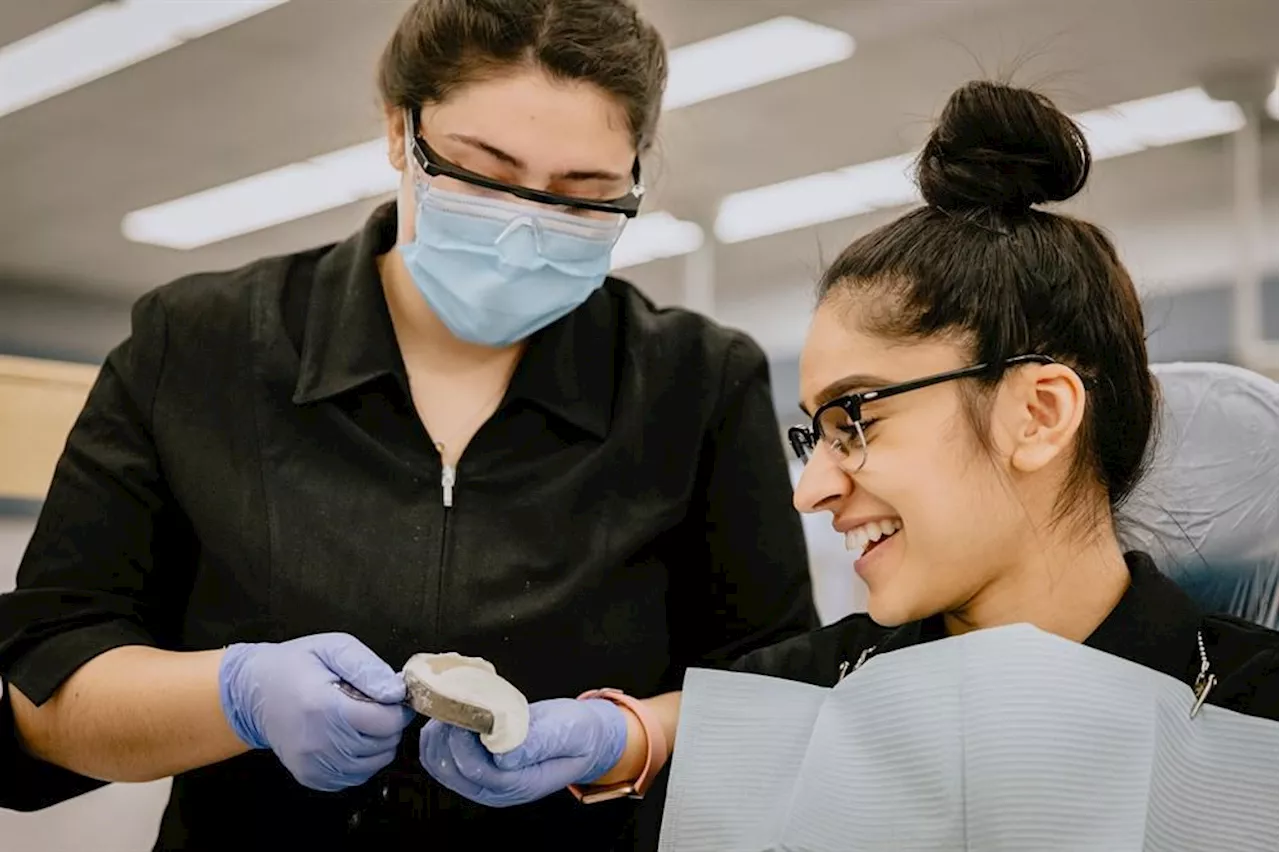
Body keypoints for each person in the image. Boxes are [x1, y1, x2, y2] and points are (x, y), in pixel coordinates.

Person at [0, 1, 816, 848]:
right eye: (480, 171)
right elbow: (44, 686)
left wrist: (624, 739)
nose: (524, 230)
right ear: (401, 131)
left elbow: (778, 695)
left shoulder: (695, 382)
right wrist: (235, 695)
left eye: (585, 194)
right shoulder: (200, 346)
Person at [417, 80, 1280, 824]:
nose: (810, 490)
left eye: (856, 419)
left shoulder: (1256, 714)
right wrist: (619, 736)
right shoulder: (826, 684)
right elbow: (705, 724)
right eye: (813, 434)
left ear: (1038, 413)